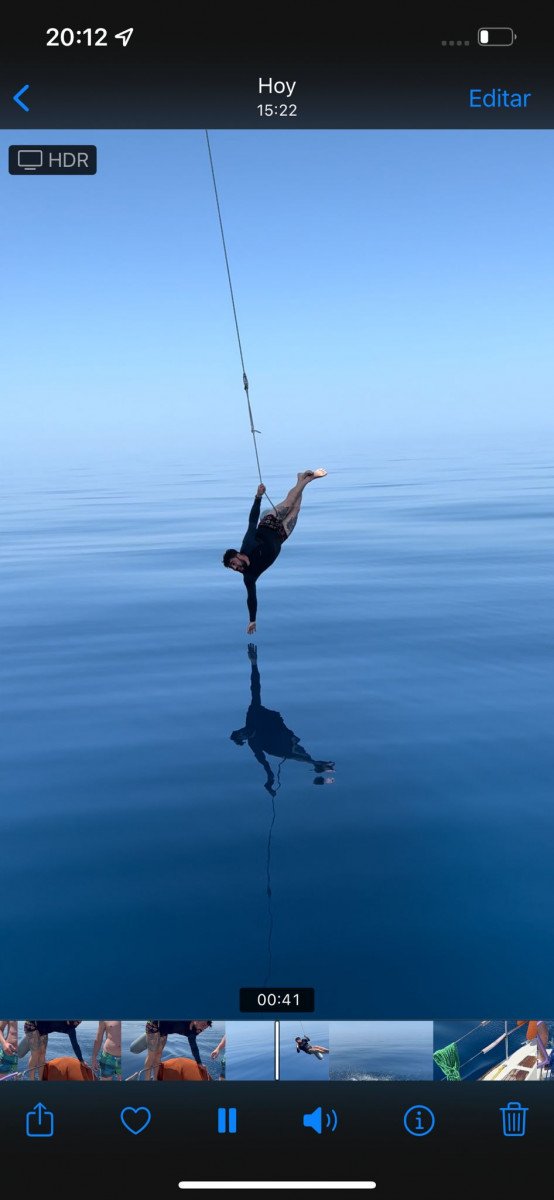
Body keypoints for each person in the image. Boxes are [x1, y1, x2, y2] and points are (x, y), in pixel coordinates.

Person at [222, 470, 327, 632]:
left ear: (237, 555)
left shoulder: (247, 544)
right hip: (281, 535)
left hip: (270, 522)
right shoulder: (249, 577)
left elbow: (251, 521)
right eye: (233, 568)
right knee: (296, 508)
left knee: (290, 501)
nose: (236, 568)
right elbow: (251, 598)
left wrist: (258, 497)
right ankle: (300, 479)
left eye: (234, 564)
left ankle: (309, 479)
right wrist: (252, 620)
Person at [231, 644, 335, 795]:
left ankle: (319, 766)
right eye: (243, 735)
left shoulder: (252, 714)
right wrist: (270, 781)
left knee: (300, 755)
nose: (244, 732)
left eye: (241, 731)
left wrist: (254, 663)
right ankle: (320, 767)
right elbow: (264, 762)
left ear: (241, 729)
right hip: (279, 747)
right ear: (244, 739)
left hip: (281, 734)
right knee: (298, 757)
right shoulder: (254, 744)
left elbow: (255, 687)